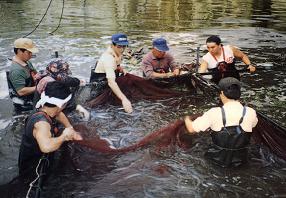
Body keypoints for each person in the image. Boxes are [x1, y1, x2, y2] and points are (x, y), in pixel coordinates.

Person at [184, 77, 258, 167]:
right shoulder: (250, 112)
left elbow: (191, 129)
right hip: (241, 160)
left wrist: (186, 118)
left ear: (222, 93)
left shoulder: (214, 112)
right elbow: (253, 125)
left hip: (216, 161)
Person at [18, 81, 82, 177]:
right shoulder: (42, 123)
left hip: (38, 159)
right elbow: (46, 147)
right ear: (63, 104)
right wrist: (64, 136)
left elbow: (58, 114)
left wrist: (70, 128)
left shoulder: (44, 108)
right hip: (34, 171)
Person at [91, 33, 133, 113]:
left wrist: (119, 68)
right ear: (112, 45)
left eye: (124, 46)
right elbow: (111, 82)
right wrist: (124, 99)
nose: (122, 49)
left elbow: (116, 65)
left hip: (109, 80)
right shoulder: (108, 59)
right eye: (119, 47)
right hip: (100, 87)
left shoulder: (117, 53)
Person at [7, 38, 39, 111]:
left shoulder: (26, 62)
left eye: (31, 52)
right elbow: (21, 91)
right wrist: (40, 86)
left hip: (32, 94)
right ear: (19, 51)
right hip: (24, 102)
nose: (31, 55)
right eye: (29, 52)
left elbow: (34, 73)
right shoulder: (16, 70)